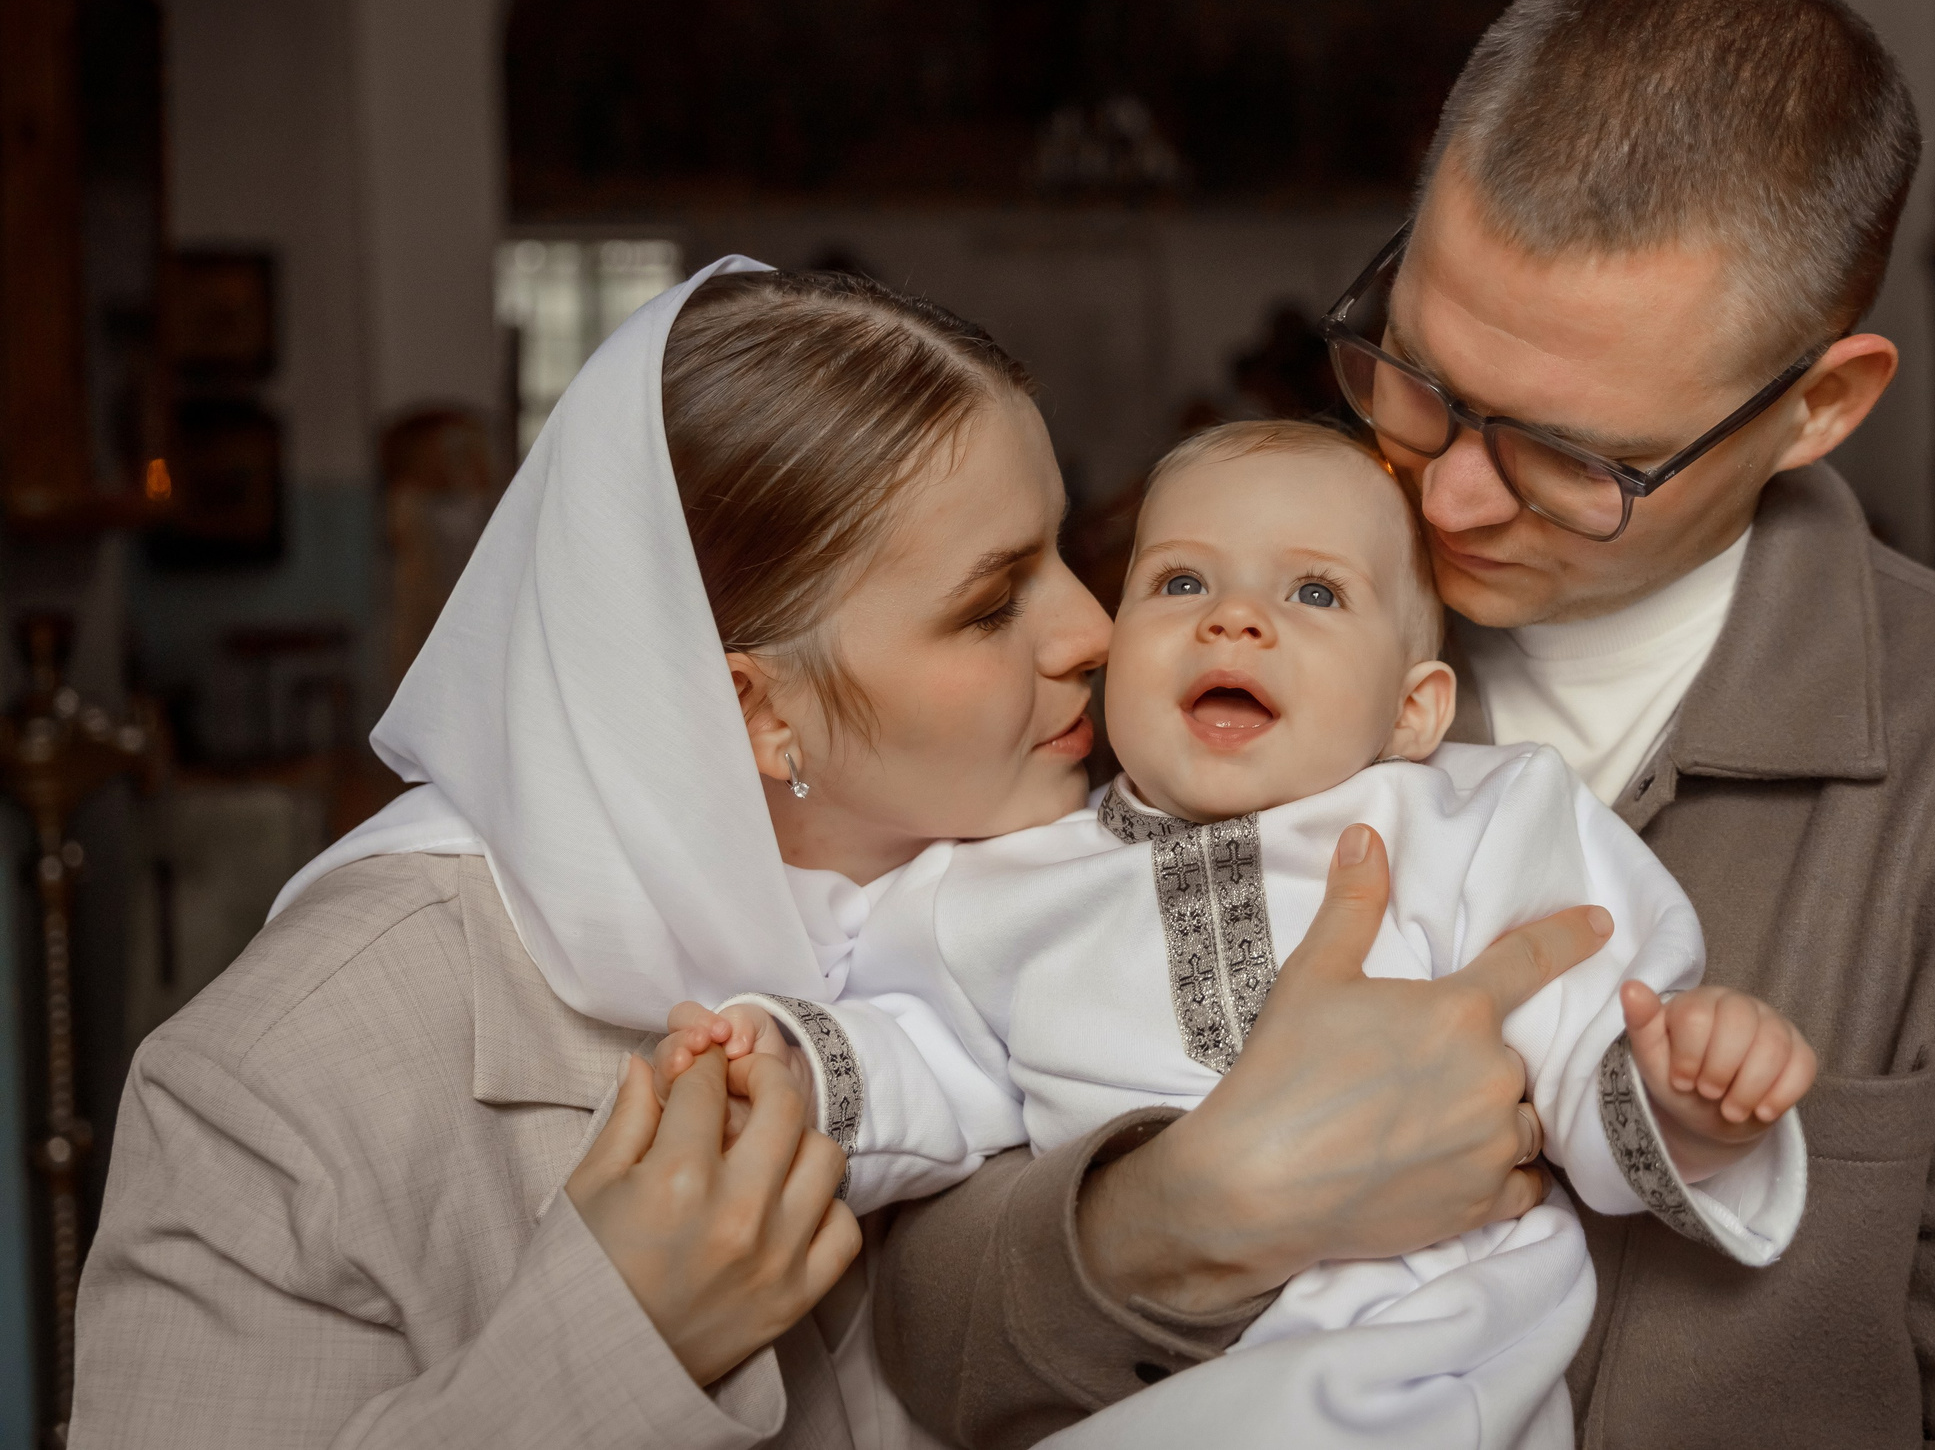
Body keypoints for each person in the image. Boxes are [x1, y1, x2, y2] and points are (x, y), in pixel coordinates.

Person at [868, 0, 1935, 1448]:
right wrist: (1188, 1210)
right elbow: (907, 1326)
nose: (1453, 494)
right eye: (1411, 369)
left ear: (1820, 406)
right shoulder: (1186, 648)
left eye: (1575, 455)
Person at [78, 264, 1623, 1448]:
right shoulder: (288, 1079)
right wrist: (619, 1338)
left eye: (1068, 560)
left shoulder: (1105, 861)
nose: (1091, 630)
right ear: (756, 713)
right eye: (989, 599)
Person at [661, 419, 1816, 1447]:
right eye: (1177, 584)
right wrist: (800, 1068)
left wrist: (1678, 1101)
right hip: (1134, 1377)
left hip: (1421, 1346)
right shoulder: (989, 889)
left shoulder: (1473, 819)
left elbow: (1585, 1015)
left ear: (1414, 710)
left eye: (1313, 595)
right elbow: (926, 1058)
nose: (1234, 618)